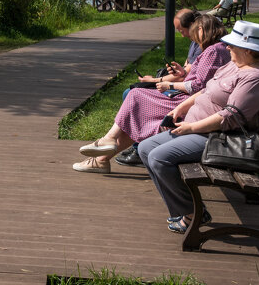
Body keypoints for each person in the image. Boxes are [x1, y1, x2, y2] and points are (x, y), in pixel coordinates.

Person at [137, 20, 259, 234]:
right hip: (202, 130)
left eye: (233, 44)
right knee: (145, 149)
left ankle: (194, 213)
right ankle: (186, 210)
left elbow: (228, 118)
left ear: (248, 50)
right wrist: (181, 107)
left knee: (159, 158)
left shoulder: (254, 78)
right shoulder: (235, 64)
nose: (227, 47)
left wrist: (191, 128)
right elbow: (206, 89)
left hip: (220, 137)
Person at [74, 14, 230, 173]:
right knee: (137, 106)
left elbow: (199, 86)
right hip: (194, 103)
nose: (194, 40)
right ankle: (103, 156)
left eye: (195, 35)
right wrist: (182, 73)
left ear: (202, 30)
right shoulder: (219, 49)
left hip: (189, 105)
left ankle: (106, 145)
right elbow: (202, 80)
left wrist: (169, 84)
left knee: (135, 96)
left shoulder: (213, 51)